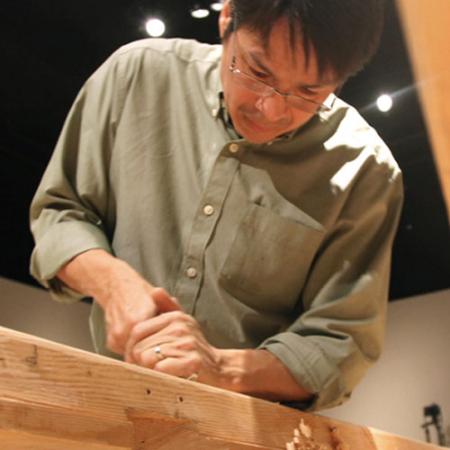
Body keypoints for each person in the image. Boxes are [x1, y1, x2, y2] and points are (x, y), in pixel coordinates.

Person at [30, 0, 403, 411]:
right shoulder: (138, 74)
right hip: (112, 403)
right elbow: (60, 211)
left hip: (245, 429)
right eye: (258, 72)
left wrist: (222, 369)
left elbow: (342, 342)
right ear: (227, 17)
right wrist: (115, 284)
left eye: (309, 92)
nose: (272, 109)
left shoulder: (365, 170)